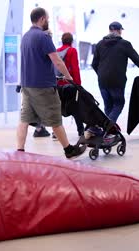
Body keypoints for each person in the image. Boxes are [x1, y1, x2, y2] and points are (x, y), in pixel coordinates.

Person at [17, 7, 86, 159]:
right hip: (43, 87)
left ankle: (19, 151)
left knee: (25, 119)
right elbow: (57, 61)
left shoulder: (26, 37)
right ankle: (69, 150)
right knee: (55, 119)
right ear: (42, 19)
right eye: (47, 19)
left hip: (27, 86)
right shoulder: (43, 37)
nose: (48, 21)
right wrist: (69, 77)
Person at [90, 21, 139, 135]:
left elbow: (94, 64)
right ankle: (106, 128)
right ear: (119, 30)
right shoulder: (124, 44)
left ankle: (109, 130)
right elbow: (138, 60)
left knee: (108, 105)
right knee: (118, 104)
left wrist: (101, 74)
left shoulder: (100, 44)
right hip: (117, 80)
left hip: (102, 81)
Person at [36, 32, 85, 139]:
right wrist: (78, 84)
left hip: (57, 84)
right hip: (69, 85)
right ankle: (81, 131)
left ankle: (56, 133)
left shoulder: (57, 51)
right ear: (71, 41)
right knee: (76, 108)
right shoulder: (72, 50)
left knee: (58, 108)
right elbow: (75, 68)